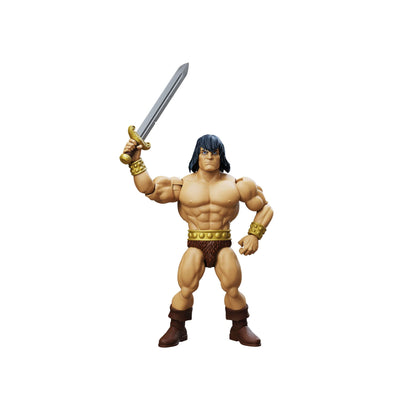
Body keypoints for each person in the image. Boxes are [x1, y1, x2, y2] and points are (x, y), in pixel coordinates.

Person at [123, 134, 273, 347]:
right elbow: (150, 189)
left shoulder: (238, 185)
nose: (210, 157)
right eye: (205, 152)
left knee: (232, 287)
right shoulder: (183, 185)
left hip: (223, 244)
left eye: (215, 153)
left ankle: (239, 327)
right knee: (186, 288)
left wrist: (254, 235)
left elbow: (265, 208)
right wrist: (136, 161)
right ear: (197, 155)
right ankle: (177, 327)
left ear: (221, 156)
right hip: (196, 244)